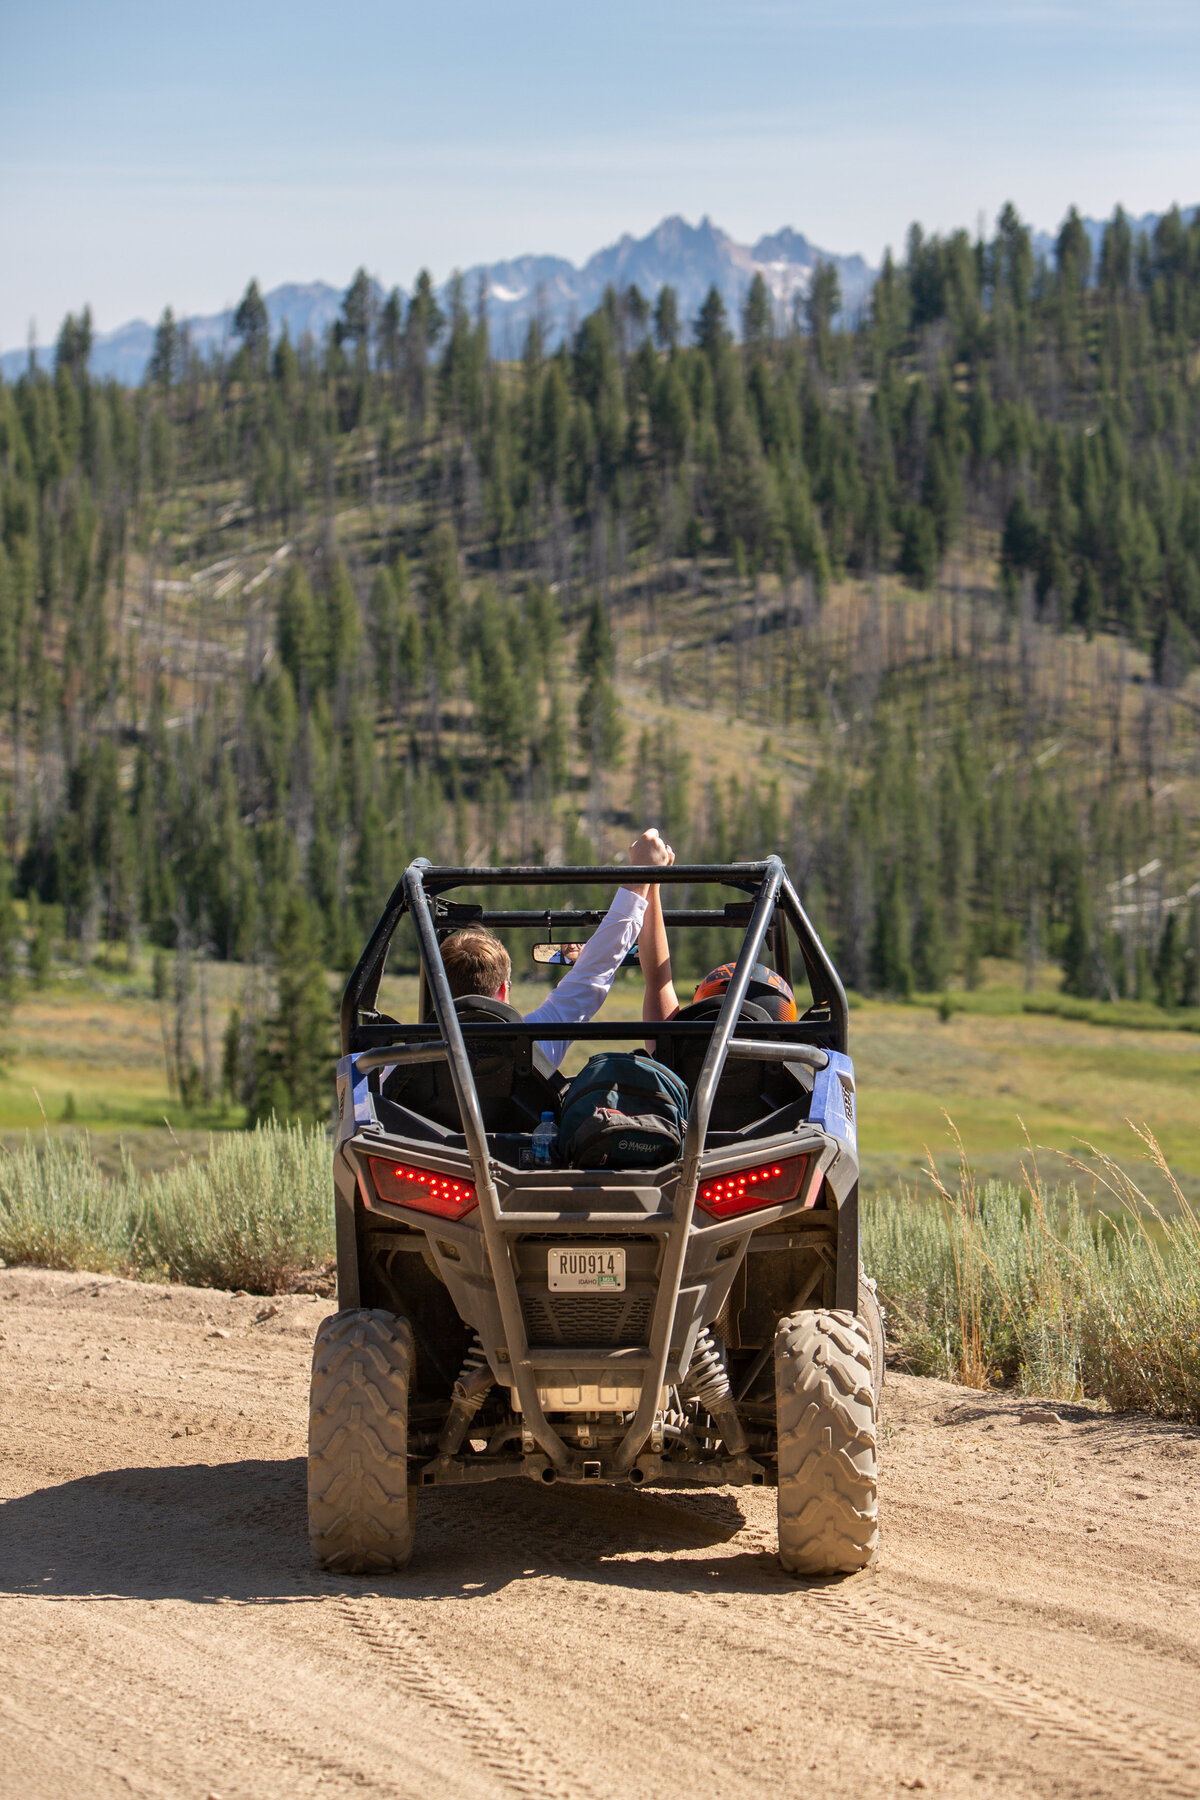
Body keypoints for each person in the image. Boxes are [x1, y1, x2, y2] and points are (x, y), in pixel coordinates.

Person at [437, 827, 674, 1071]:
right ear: (502, 991)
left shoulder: (404, 1059)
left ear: (436, 992)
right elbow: (595, 971)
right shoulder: (533, 1042)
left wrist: (643, 877)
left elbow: (595, 970)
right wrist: (644, 874)